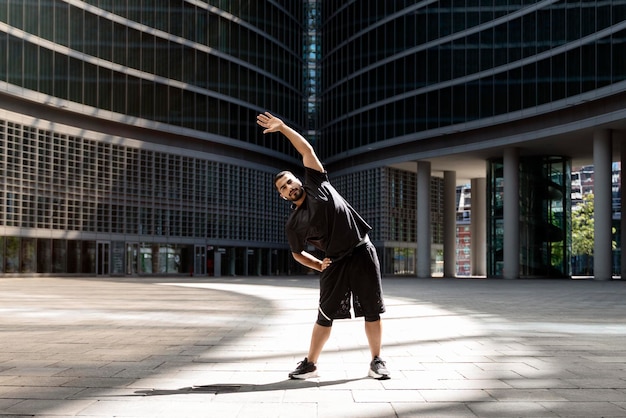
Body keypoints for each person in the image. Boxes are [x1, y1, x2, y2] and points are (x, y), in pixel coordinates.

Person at [256, 111, 390, 380]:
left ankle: (377, 360)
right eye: (283, 188)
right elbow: (297, 254)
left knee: (372, 310)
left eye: (290, 181)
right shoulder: (294, 223)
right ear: (282, 196)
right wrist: (319, 264)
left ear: (298, 179)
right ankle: (311, 363)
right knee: (324, 315)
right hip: (334, 262)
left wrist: (282, 128)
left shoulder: (317, 181)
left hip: (361, 250)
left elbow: (306, 149)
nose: (289, 187)